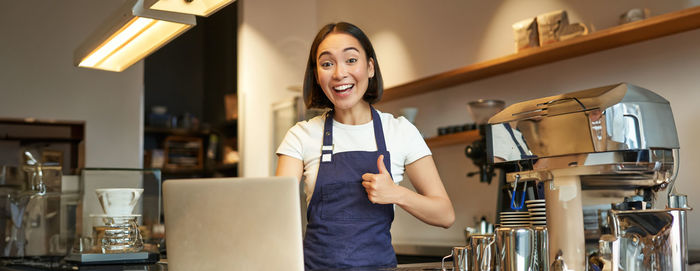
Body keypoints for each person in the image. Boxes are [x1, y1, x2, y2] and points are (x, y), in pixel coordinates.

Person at [275, 22, 455, 270]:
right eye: (327, 64)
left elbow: (445, 214)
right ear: (317, 76)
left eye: (351, 60)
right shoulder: (301, 135)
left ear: (370, 67)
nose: (339, 73)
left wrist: (396, 194)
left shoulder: (400, 131)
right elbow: (275, 212)